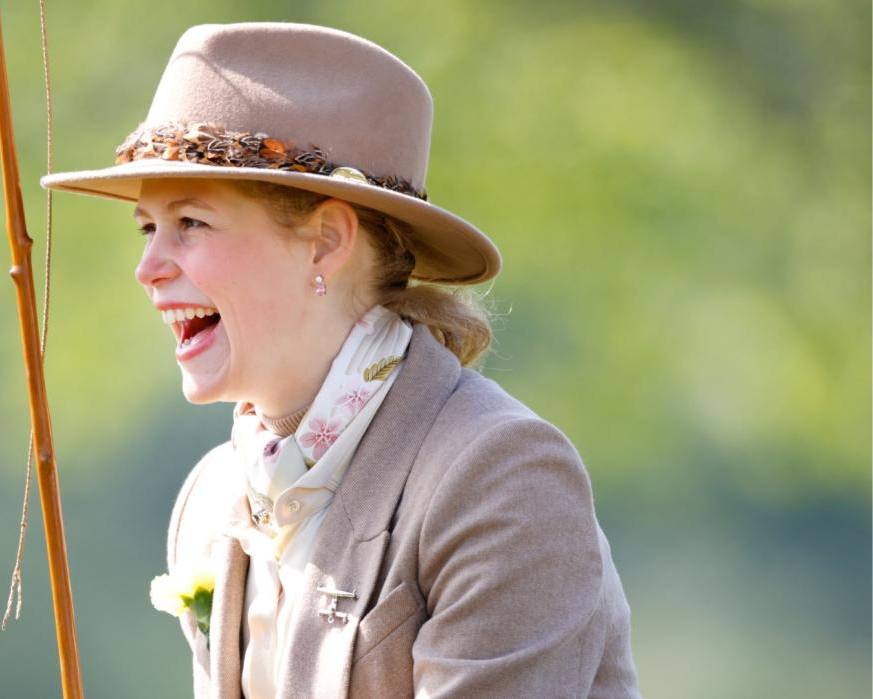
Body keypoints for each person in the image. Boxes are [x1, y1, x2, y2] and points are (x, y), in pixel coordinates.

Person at [41, 21, 641, 699]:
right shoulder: (211, 501)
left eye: (191, 223)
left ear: (326, 242)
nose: (147, 268)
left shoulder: (500, 477)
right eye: (149, 228)